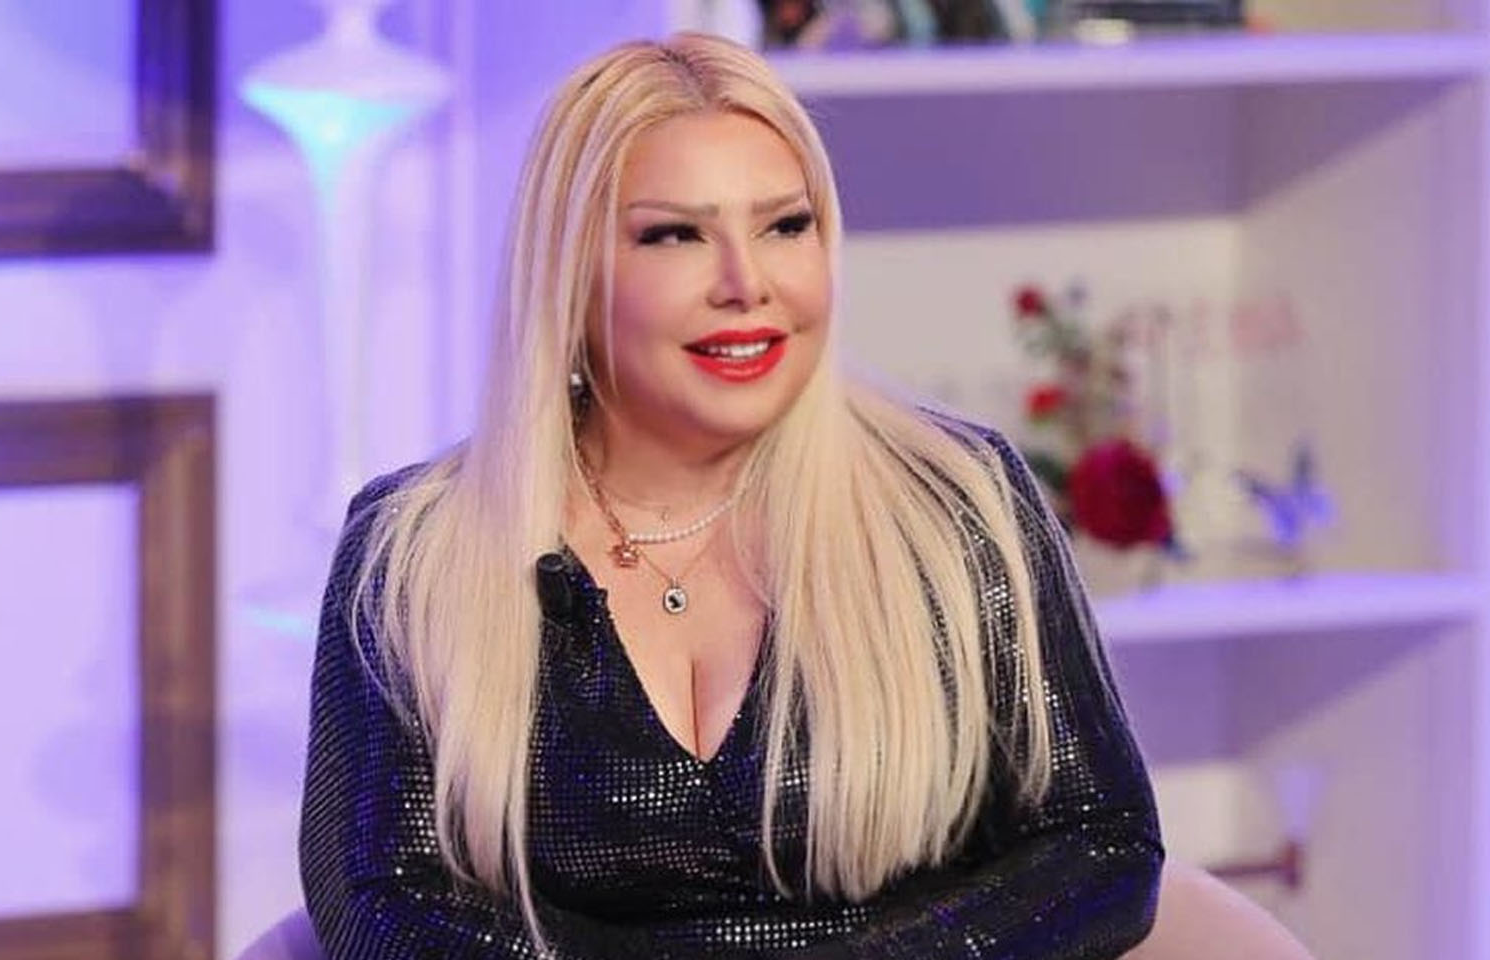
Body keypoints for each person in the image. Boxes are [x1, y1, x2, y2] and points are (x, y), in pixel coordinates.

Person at [300, 31, 1166, 959]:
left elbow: (1101, 847)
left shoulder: (958, 502)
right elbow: (380, 906)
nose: (747, 284)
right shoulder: (414, 550)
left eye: (785, 226)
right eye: (674, 234)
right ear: (569, 273)